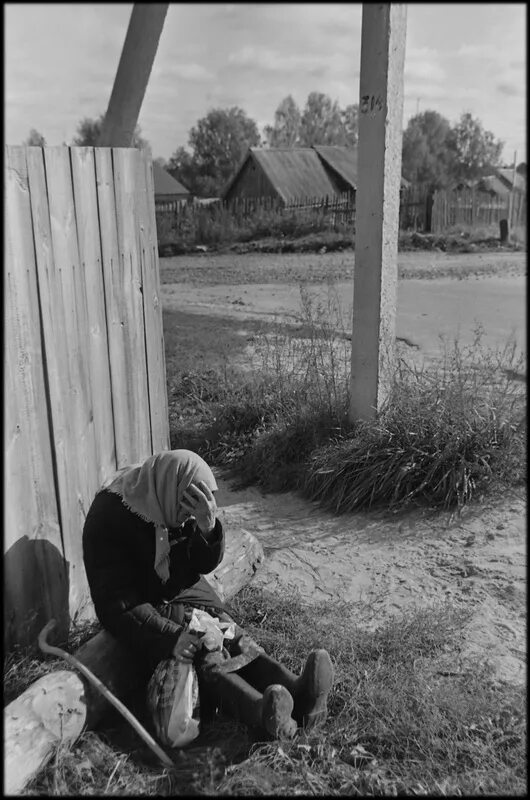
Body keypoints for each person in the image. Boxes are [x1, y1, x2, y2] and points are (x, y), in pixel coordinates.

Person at [82, 449, 333, 742]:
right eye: (189, 510)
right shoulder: (110, 519)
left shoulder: (171, 495)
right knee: (205, 650)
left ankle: (301, 693)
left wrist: (208, 528)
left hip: (179, 591)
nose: (189, 517)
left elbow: (198, 566)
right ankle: (261, 712)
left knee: (228, 633)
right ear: (170, 488)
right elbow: (115, 603)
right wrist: (171, 638)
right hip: (144, 608)